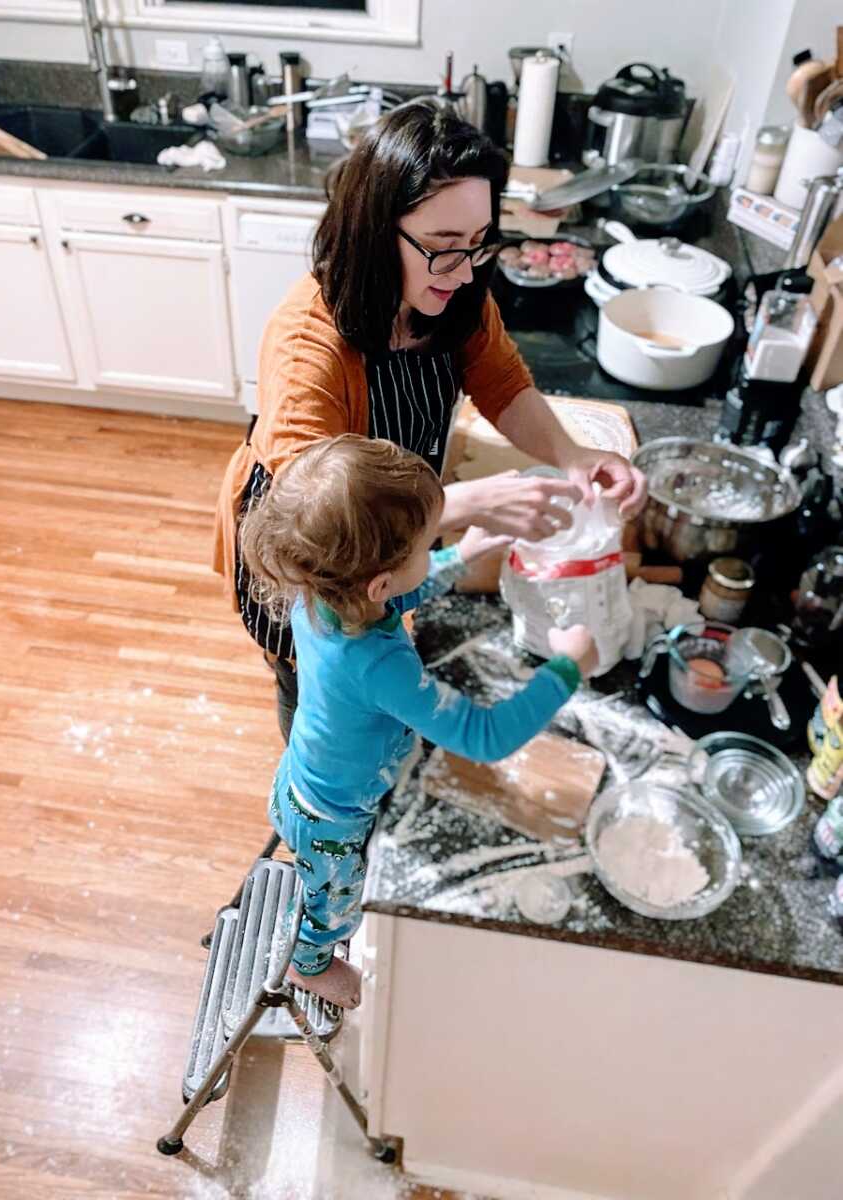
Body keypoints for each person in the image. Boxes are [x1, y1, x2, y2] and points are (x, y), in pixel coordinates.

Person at [213, 99, 646, 742]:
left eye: (478, 244)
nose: (466, 269)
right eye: (444, 247)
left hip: (399, 534)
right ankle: (315, 787)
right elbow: (320, 512)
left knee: (378, 670)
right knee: (320, 694)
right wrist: (467, 503)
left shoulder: (456, 289)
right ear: (374, 229)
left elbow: (503, 383)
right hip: (311, 546)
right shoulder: (308, 341)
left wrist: (571, 455)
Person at [241, 435, 599, 1009]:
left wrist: (461, 555)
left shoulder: (321, 593)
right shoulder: (379, 666)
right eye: (430, 544)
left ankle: (309, 910)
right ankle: (308, 963)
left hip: (306, 783)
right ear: (380, 581)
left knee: (319, 879)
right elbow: (485, 737)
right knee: (331, 904)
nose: (435, 550)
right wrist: (567, 667)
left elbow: (395, 596)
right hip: (333, 820)